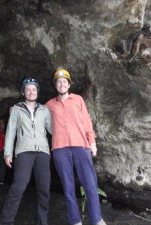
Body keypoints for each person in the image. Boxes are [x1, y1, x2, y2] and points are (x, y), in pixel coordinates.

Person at [46, 68, 107, 225]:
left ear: (69, 84)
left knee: (90, 184)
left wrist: (92, 143)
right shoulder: (49, 105)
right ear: (55, 85)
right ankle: (75, 221)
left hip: (81, 145)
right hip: (60, 149)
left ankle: (96, 219)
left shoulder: (78, 100)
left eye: (64, 81)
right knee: (68, 187)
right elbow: (38, 118)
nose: (62, 84)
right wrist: (17, 109)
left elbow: (87, 122)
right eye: (58, 82)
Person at [0, 77, 52, 225]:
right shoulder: (16, 110)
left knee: (44, 188)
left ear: (37, 92)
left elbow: (52, 129)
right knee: (19, 186)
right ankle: (6, 221)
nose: (31, 91)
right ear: (23, 92)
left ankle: (42, 221)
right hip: (24, 151)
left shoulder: (44, 110)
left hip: (43, 152)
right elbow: (10, 132)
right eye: (28, 89)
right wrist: (8, 153)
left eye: (34, 89)